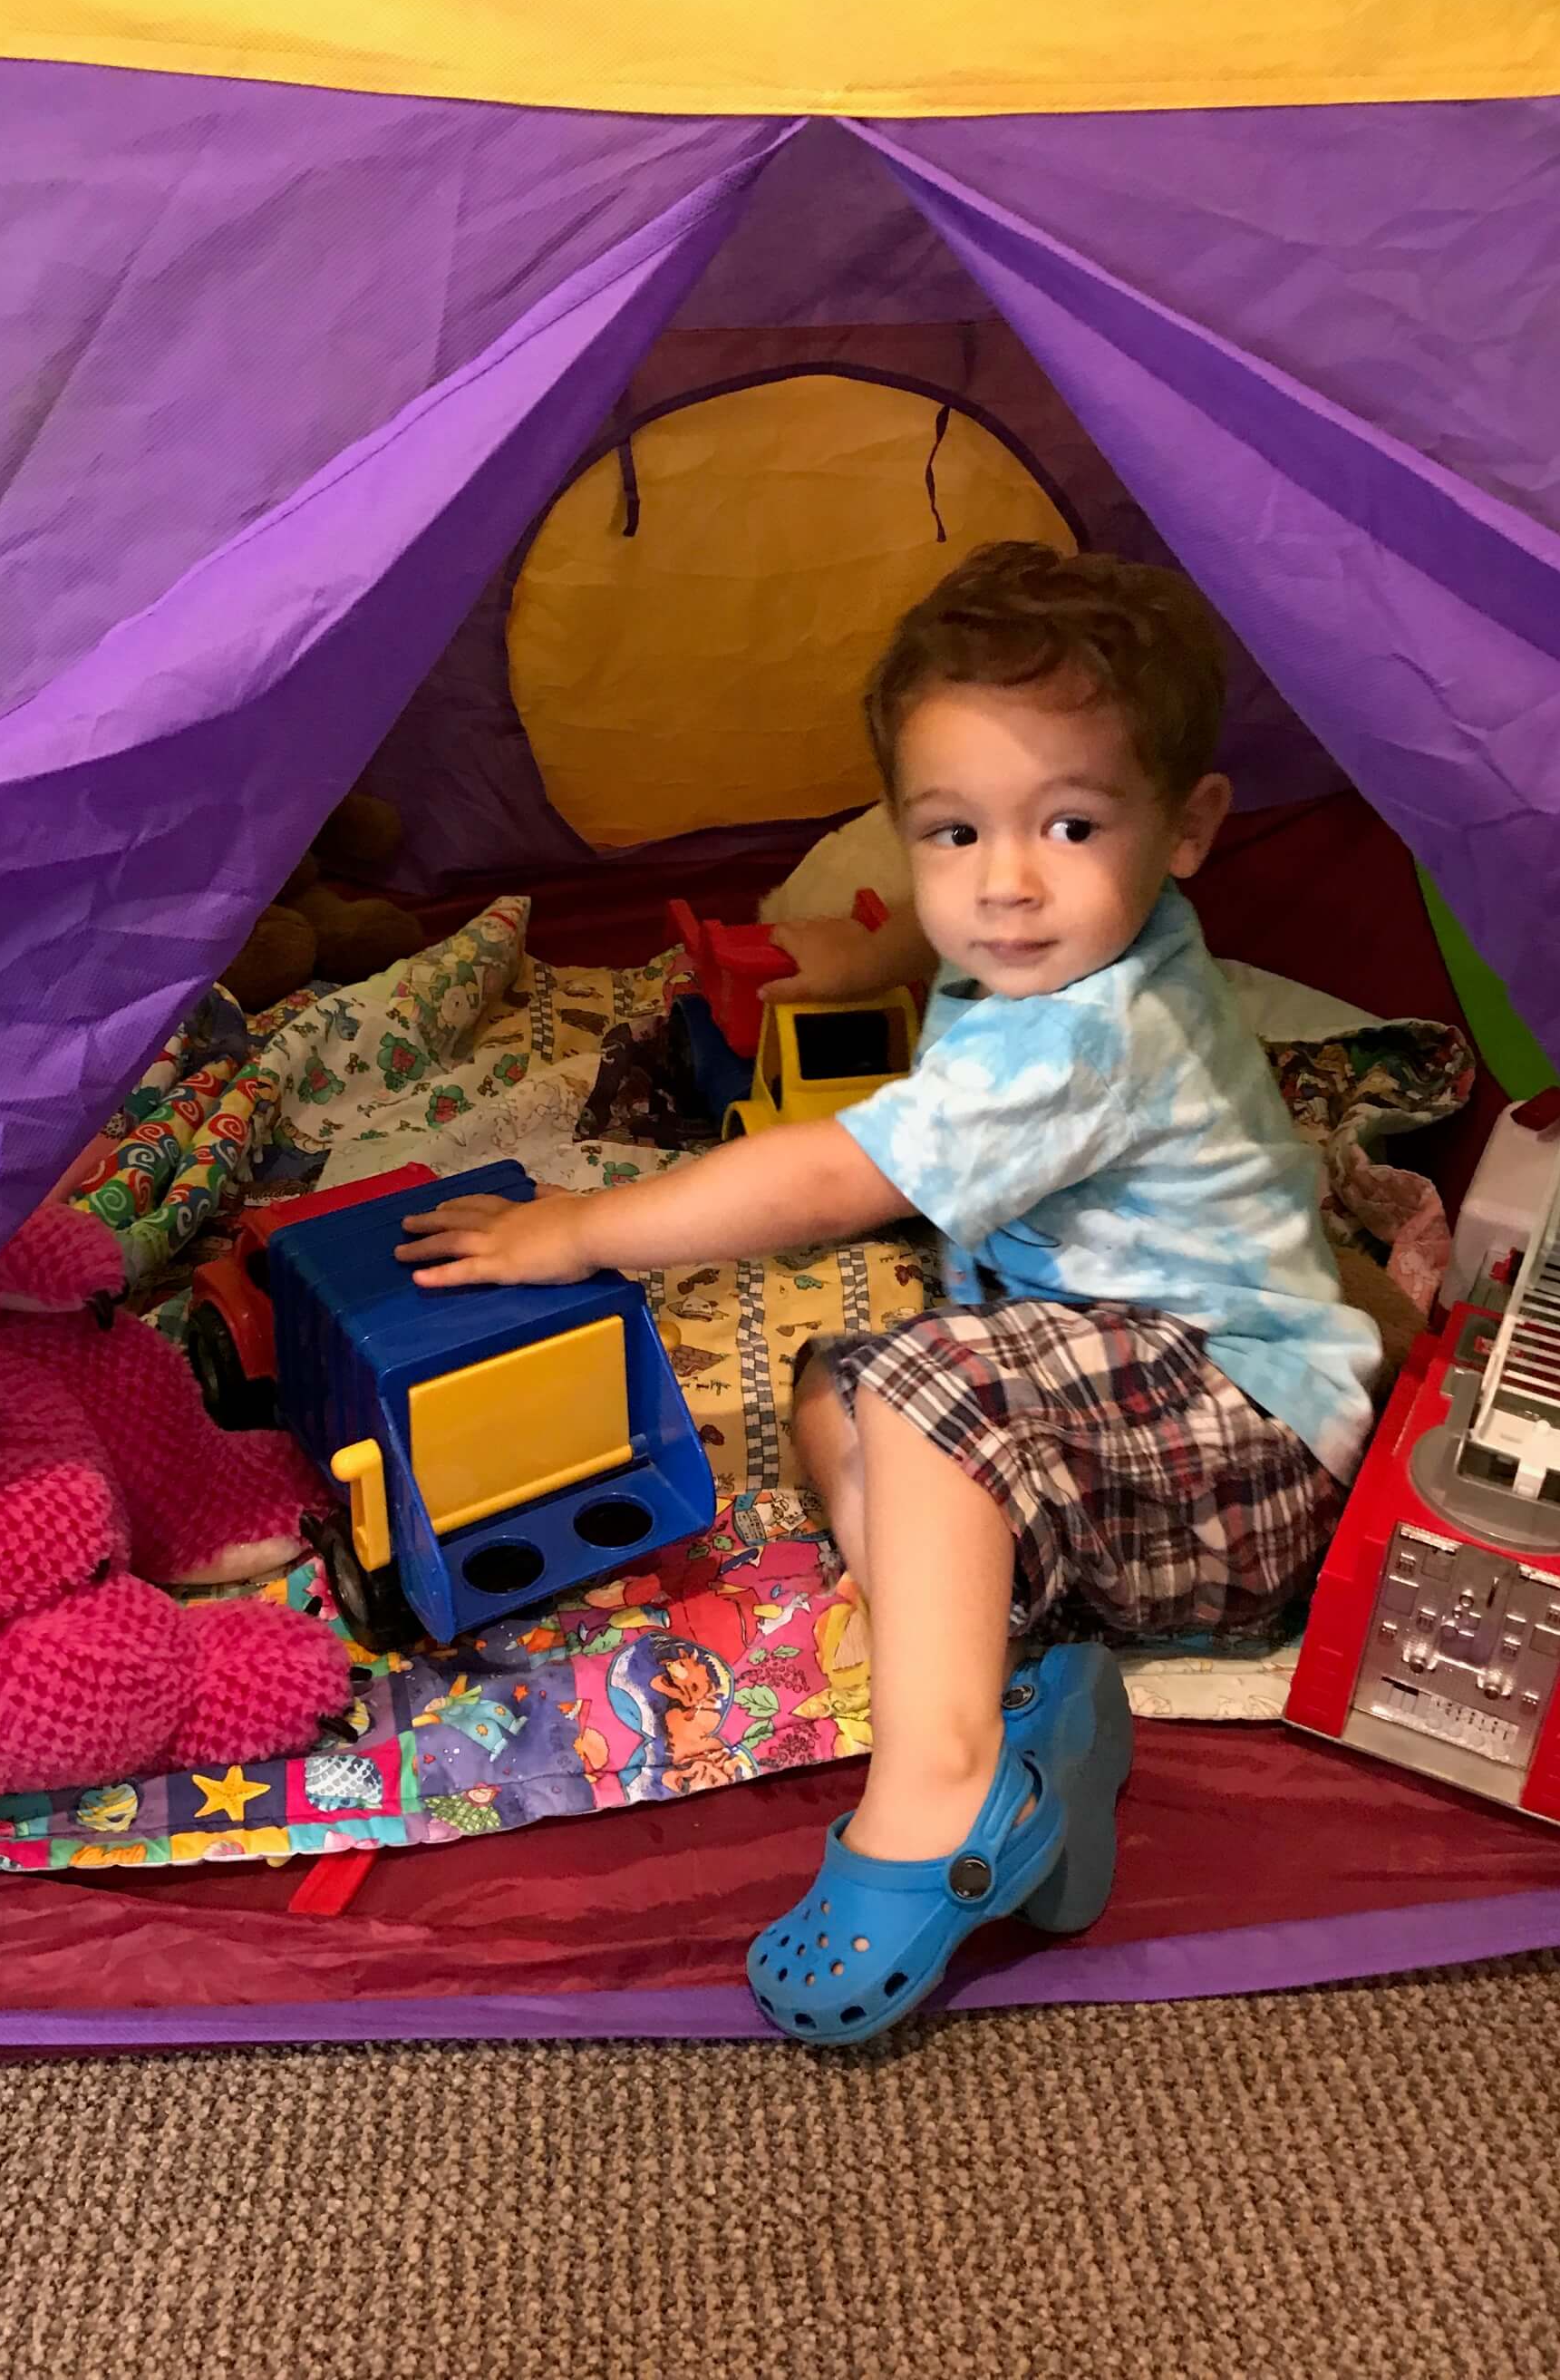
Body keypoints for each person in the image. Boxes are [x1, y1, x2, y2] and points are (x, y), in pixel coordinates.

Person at [398, 541, 1381, 2043]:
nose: (1004, 883)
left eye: (1068, 823)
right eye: (950, 832)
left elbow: (831, 1177)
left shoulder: (1082, 1033)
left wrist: (588, 1231)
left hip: (1243, 1458)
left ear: (1186, 829)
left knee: (926, 1382)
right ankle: (1021, 1686)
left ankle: (939, 1788)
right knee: (839, 1386)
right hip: (1135, 1439)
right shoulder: (1045, 974)